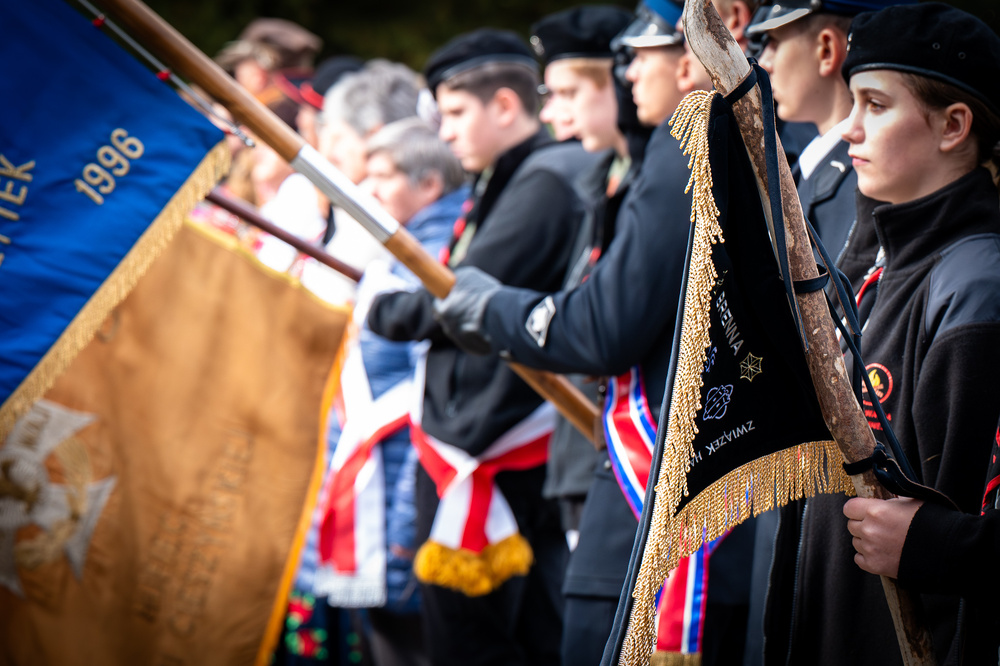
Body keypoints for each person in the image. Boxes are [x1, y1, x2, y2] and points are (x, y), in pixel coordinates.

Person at [433, 2, 757, 663]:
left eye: (643, 56)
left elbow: (606, 324)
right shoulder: (656, 158)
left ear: (693, 57)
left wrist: (495, 310)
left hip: (664, 478)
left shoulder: (684, 147)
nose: (631, 70)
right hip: (662, 471)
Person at [763, 4, 1000, 664]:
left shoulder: (977, 284)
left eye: (874, 105)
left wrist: (939, 547)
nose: (851, 130)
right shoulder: (877, 257)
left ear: (954, 126)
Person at [365, 29, 598, 665]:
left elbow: (461, 295)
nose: (444, 134)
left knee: (477, 636)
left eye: (456, 113)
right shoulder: (512, 174)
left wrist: (384, 309)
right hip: (483, 429)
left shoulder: (545, 180)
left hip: (497, 438)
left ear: (503, 105)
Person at [306, 119, 469, 666]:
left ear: (427, 185)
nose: (367, 189)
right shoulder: (403, 250)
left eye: (383, 176)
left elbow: (421, 396)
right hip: (382, 477)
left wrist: (401, 534)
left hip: (407, 485)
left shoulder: (435, 254)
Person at [527, 4, 634, 549]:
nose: (552, 116)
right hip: (584, 441)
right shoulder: (599, 177)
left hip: (628, 449)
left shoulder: (640, 180)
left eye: (569, 94)